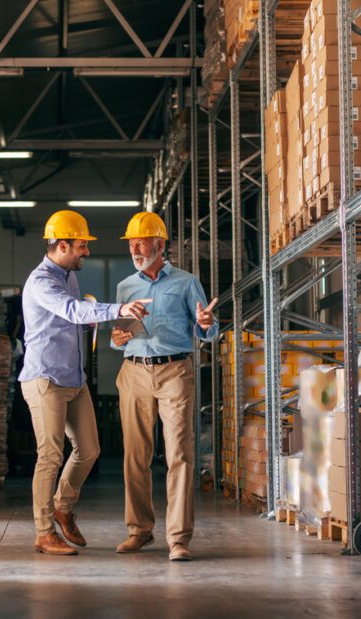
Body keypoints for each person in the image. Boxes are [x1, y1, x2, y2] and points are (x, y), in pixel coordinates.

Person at [19, 209, 153, 556]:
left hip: (72, 379)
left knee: (89, 450)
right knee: (49, 455)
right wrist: (118, 310)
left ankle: (63, 507)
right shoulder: (42, 281)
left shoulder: (68, 274)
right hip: (45, 378)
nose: (86, 252)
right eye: (81, 246)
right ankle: (44, 531)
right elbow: (73, 311)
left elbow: (77, 314)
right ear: (62, 245)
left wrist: (96, 320)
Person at [110, 211, 218, 562]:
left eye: (141, 242)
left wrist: (206, 323)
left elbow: (207, 330)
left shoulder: (187, 282)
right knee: (135, 456)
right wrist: (117, 336)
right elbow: (118, 338)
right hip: (134, 370)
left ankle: (178, 539)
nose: (135, 248)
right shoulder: (126, 286)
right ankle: (139, 531)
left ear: (160, 244)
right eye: (131, 243)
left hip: (174, 372)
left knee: (179, 456)